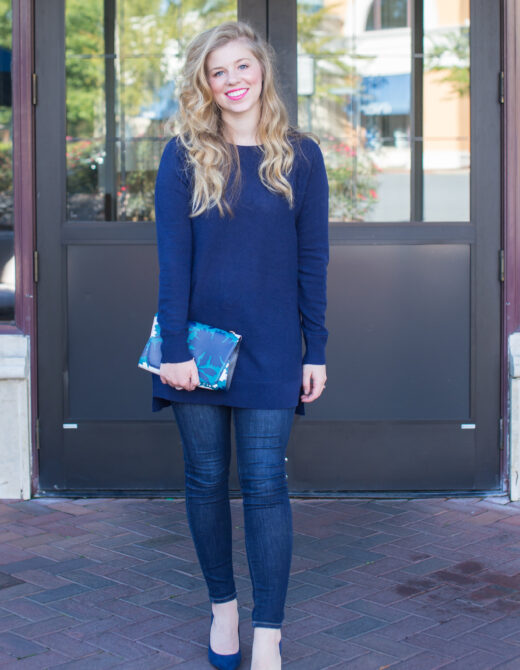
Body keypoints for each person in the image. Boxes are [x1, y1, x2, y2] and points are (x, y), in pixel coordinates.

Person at [151, 20, 329, 670]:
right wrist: (172, 350)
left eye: (241, 67)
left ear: (262, 73)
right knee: (204, 480)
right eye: (217, 71)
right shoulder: (184, 155)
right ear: (204, 81)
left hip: (276, 346)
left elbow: (314, 260)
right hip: (196, 345)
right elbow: (173, 262)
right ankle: (223, 609)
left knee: (264, 485)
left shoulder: (300, 156)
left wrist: (317, 350)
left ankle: (269, 633)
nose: (232, 81)